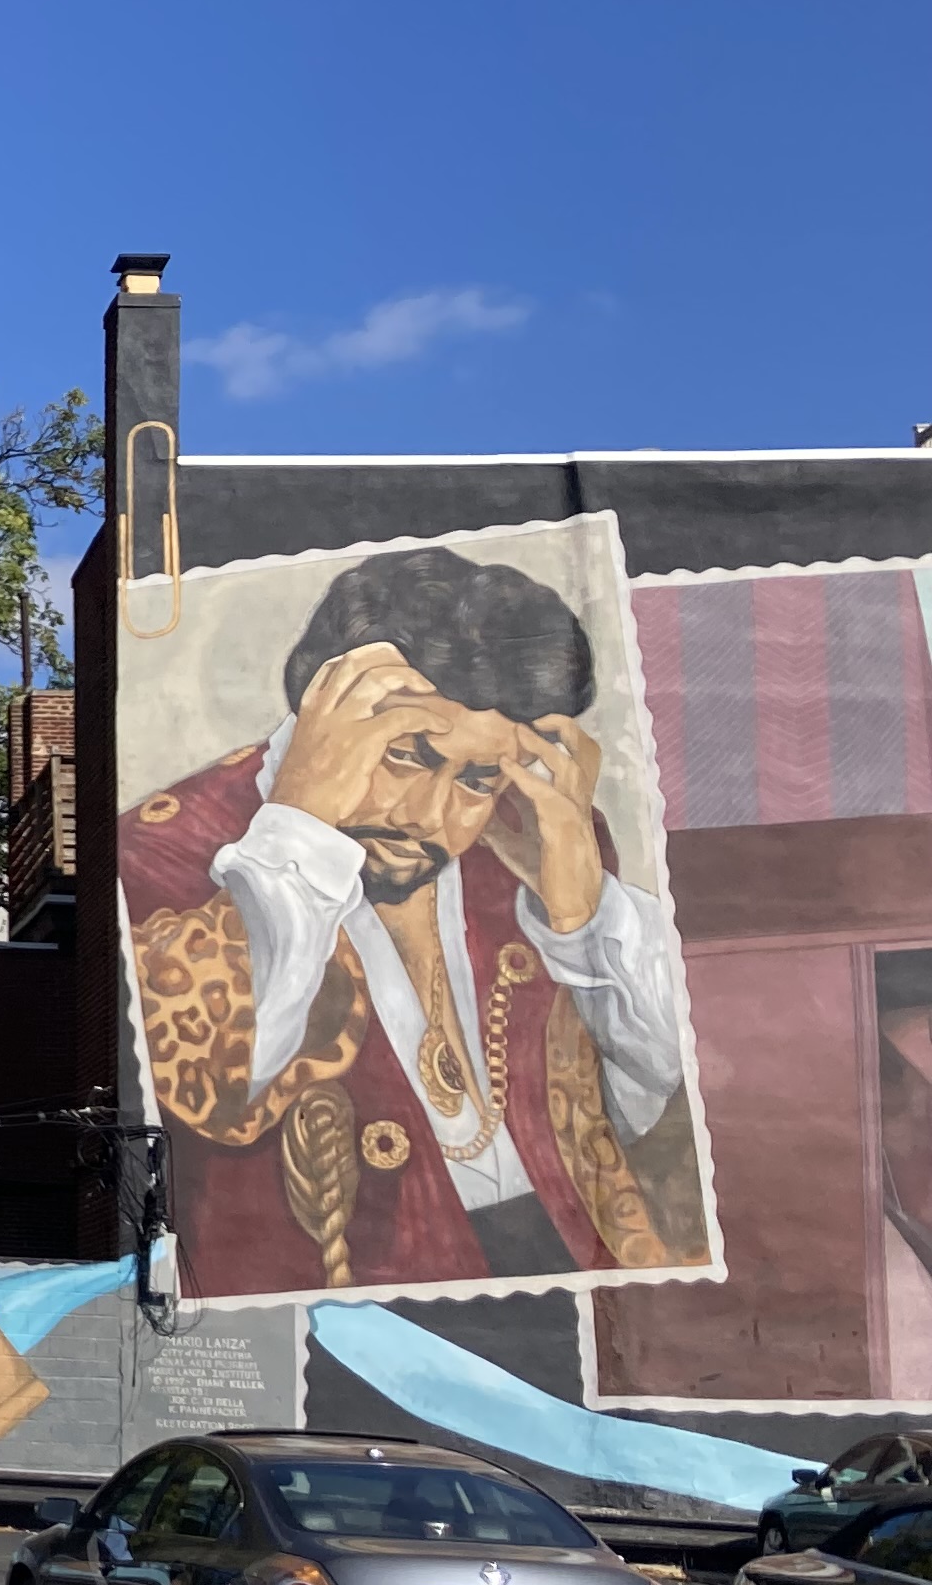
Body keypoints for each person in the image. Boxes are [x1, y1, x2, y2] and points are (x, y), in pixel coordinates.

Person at [122, 544, 709, 1295]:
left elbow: (655, 1085)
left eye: (477, 780)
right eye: (406, 756)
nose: (429, 816)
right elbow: (212, 1087)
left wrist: (581, 916)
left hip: (569, 1282)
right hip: (346, 1322)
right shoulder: (160, 852)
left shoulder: (540, 835)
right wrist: (302, 824)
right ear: (324, 716)